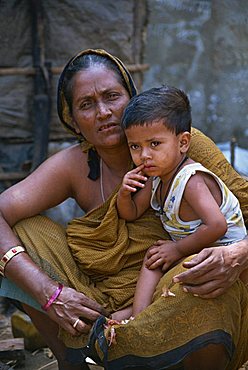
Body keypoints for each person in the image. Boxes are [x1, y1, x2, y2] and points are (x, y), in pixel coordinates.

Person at [0, 49, 247, 370]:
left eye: (112, 96)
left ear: (131, 97)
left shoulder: (181, 145)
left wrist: (239, 252)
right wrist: (49, 293)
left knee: (198, 274)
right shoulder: (73, 164)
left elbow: (240, 209)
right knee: (25, 232)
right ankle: (72, 361)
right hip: (103, 299)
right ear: (73, 121)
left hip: (173, 285)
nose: (103, 112)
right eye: (87, 105)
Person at [116, 85, 247, 317]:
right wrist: (124, 194)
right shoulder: (155, 177)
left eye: (154, 144)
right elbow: (132, 213)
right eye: (135, 146)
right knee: (152, 257)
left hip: (224, 252)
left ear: (183, 142)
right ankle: (138, 320)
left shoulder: (191, 181)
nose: (144, 155)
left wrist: (176, 249)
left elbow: (217, 225)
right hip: (195, 248)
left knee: (172, 266)